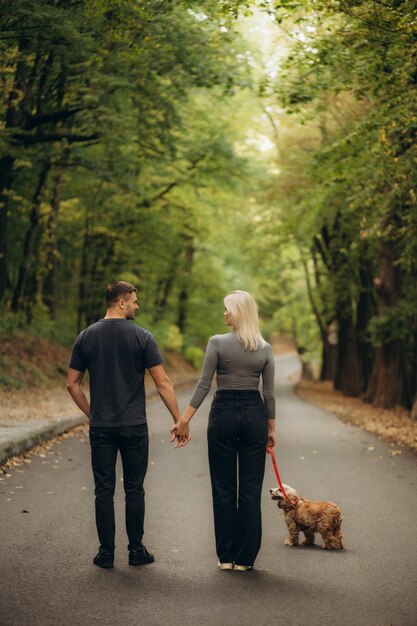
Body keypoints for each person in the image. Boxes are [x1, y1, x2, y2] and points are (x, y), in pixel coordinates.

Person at [67, 280, 187, 569]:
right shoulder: (142, 337)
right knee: (134, 489)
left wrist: (93, 413)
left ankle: (106, 553)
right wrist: (178, 420)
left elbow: (72, 384)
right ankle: (136, 550)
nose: (137, 305)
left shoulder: (86, 336)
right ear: (121, 303)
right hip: (133, 426)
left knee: (103, 490)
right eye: (134, 300)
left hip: (102, 427)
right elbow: (162, 382)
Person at [171, 290, 275, 571]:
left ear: (239, 312)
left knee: (223, 487)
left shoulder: (217, 343)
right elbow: (269, 394)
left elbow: (204, 385)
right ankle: (245, 559)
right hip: (255, 415)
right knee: (251, 489)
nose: (224, 314)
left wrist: (185, 419)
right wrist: (271, 428)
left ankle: (226, 556)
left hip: (224, 415)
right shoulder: (264, 348)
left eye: (228, 309)